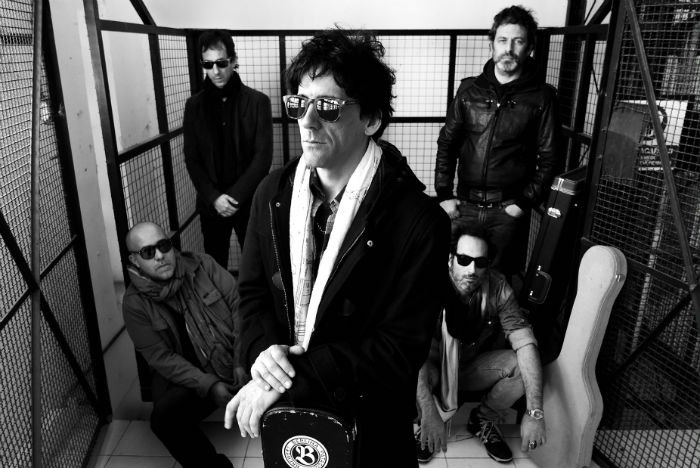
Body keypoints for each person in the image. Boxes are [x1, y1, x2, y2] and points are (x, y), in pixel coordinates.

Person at [223, 28, 451, 467]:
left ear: (371, 119)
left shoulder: (419, 221)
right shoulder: (271, 195)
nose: (307, 122)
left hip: (372, 427)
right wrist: (265, 356)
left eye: (327, 107)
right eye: (299, 104)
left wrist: (288, 379)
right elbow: (252, 295)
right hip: (294, 421)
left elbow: (398, 350)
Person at [435, 5, 561, 278]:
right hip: (463, 206)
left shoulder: (542, 98)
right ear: (491, 44)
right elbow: (447, 143)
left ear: (530, 48)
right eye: (503, 40)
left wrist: (523, 203)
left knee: (498, 283)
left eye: (518, 41)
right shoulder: (469, 90)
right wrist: (444, 195)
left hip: (507, 211)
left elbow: (550, 156)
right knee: (452, 279)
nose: (509, 49)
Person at [415, 222, 545, 464]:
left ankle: (483, 419)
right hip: (432, 367)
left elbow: (525, 343)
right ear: (450, 259)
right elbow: (410, 351)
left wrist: (534, 412)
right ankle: (427, 422)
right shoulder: (427, 282)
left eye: (480, 262)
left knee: (520, 364)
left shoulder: (498, 288)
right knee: (408, 366)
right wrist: (428, 412)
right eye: (464, 260)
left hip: (469, 366)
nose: (472, 269)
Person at [122, 222, 247, 468]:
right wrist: (210, 385)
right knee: (164, 419)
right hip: (194, 378)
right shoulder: (134, 304)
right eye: (148, 252)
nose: (160, 256)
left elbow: (240, 308)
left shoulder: (202, 265)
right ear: (135, 260)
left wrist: (240, 361)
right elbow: (161, 358)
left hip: (236, 357)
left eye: (163, 245)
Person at [184, 30, 273, 269]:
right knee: (215, 269)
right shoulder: (193, 106)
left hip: (249, 202)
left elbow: (263, 158)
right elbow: (191, 158)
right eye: (208, 64)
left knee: (257, 267)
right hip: (211, 205)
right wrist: (214, 198)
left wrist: (233, 198)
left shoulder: (258, 102)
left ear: (233, 61)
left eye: (222, 63)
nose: (216, 71)